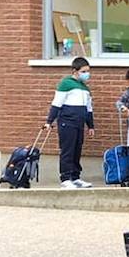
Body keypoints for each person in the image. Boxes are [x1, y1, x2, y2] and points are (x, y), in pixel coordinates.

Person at [47, 56, 95, 188]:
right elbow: (56, 104)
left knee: (77, 150)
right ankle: (65, 177)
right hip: (67, 123)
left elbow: (88, 109)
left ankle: (75, 177)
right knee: (67, 150)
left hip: (79, 124)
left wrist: (90, 126)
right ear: (75, 71)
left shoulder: (85, 88)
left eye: (88, 71)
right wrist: (49, 121)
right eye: (84, 71)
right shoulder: (66, 84)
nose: (87, 74)